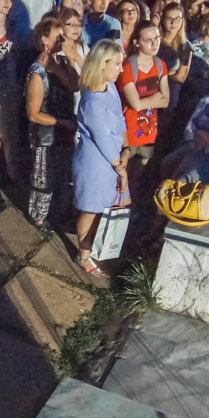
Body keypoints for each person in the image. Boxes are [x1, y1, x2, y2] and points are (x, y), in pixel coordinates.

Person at [74, 41, 129, 277]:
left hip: (114, 160)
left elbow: (120, 118)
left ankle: (102, 247)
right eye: (117, 64)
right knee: (92, 210)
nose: (121, 69)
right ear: (101, 64)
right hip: (96, 164)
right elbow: (103, 138)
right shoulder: (92, 101)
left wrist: (126, 148)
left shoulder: (110, 87)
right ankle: (84, 255)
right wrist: (121, 169)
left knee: (111, 207)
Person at [25, 17, 77, 229]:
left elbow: (75, 85)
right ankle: (38, 216)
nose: (62, 40)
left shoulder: (62, 64)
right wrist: (62, 122)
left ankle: (59, 213)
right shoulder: (37, 72)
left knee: (63, 175)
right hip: (45, 135)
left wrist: (68, 62)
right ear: (44, 39)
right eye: (58, 37)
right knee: (43, 178)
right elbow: (33, 114)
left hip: (64, 132)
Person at [118, 22, 169, 177]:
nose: (155, 43)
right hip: (127, 134)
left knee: (141, 176)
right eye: (148, 40)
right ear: (137, 43)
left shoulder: (160, 65)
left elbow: (166, 101)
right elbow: (136, 104)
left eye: (157, 38)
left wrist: (143, 102)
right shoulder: (128, 67)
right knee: (124, 176)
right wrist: (156, 97)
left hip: (149, 133)